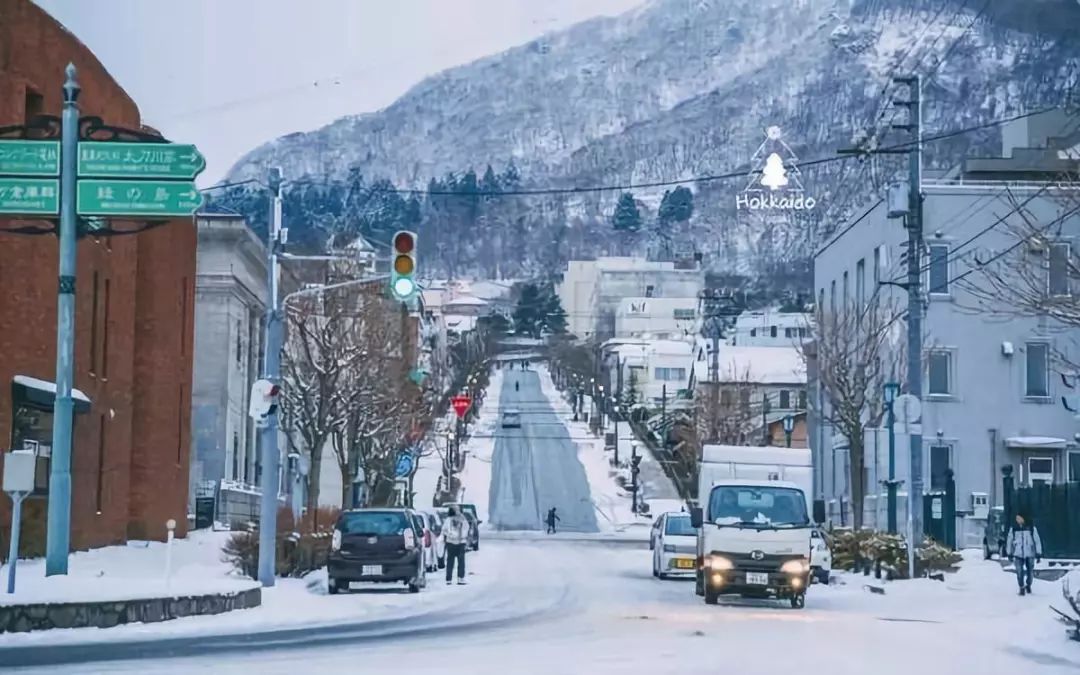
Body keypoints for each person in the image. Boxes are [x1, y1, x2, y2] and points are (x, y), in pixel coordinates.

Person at [1005, 513, 1042, 595]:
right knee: (1019, 571)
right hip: (1018, 553)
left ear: (1023, 518)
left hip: (1030, 553)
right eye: (1016, 518)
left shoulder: (1031, 528)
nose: (1017, 520)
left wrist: (1038, 553)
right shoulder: (1014, 529)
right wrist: (1009, 553)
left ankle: (1028, 584)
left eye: (1019, 518)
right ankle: (1021, 587)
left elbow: (1037, 541)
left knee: (1030, 572)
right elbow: (1009, 541)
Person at [443, 505, 470, 585]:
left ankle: (460, 578)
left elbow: (466, 528)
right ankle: (448, 579)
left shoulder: (463, 519)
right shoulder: (448, 520)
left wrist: (463, 536)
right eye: (456, 509)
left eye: (458, 509)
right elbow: (444, 530)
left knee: (461, 561)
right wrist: (450, 535)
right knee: (450, 561)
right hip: (451, 542)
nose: (458, 511)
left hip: (461, 542)